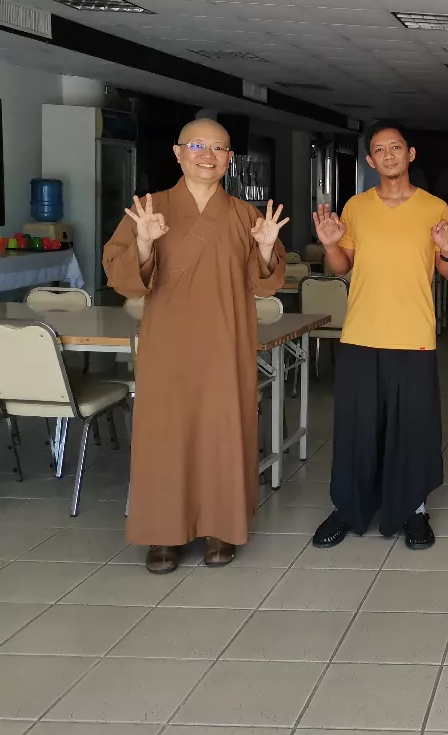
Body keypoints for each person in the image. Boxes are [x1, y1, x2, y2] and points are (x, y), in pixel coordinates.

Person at [103, 119, 288, 574]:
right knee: (166, 436)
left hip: (227, 343)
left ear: (229, 159)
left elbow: (264, 283)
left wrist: (266, 249)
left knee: (224, 433)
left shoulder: (245, 215)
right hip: (169, 345)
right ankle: (163, 534)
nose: (209, 155)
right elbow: (119, 276)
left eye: (219, 148)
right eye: (198, 145)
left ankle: (221, 527)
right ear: (177, 152)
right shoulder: (148, 209)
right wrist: (144, 244)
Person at [310, 121, 448, 550]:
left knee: (412, 429)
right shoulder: (355, 207)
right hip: (361, 333)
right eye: (380, 150)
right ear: (370, 160)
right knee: (357, 428)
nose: (389, 155)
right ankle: (349, 508)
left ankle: (413, 510)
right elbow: (342, 267)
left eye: (397, 147)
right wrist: (330, 243)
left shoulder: (434, 207)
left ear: (410, 154)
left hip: (413, 335)